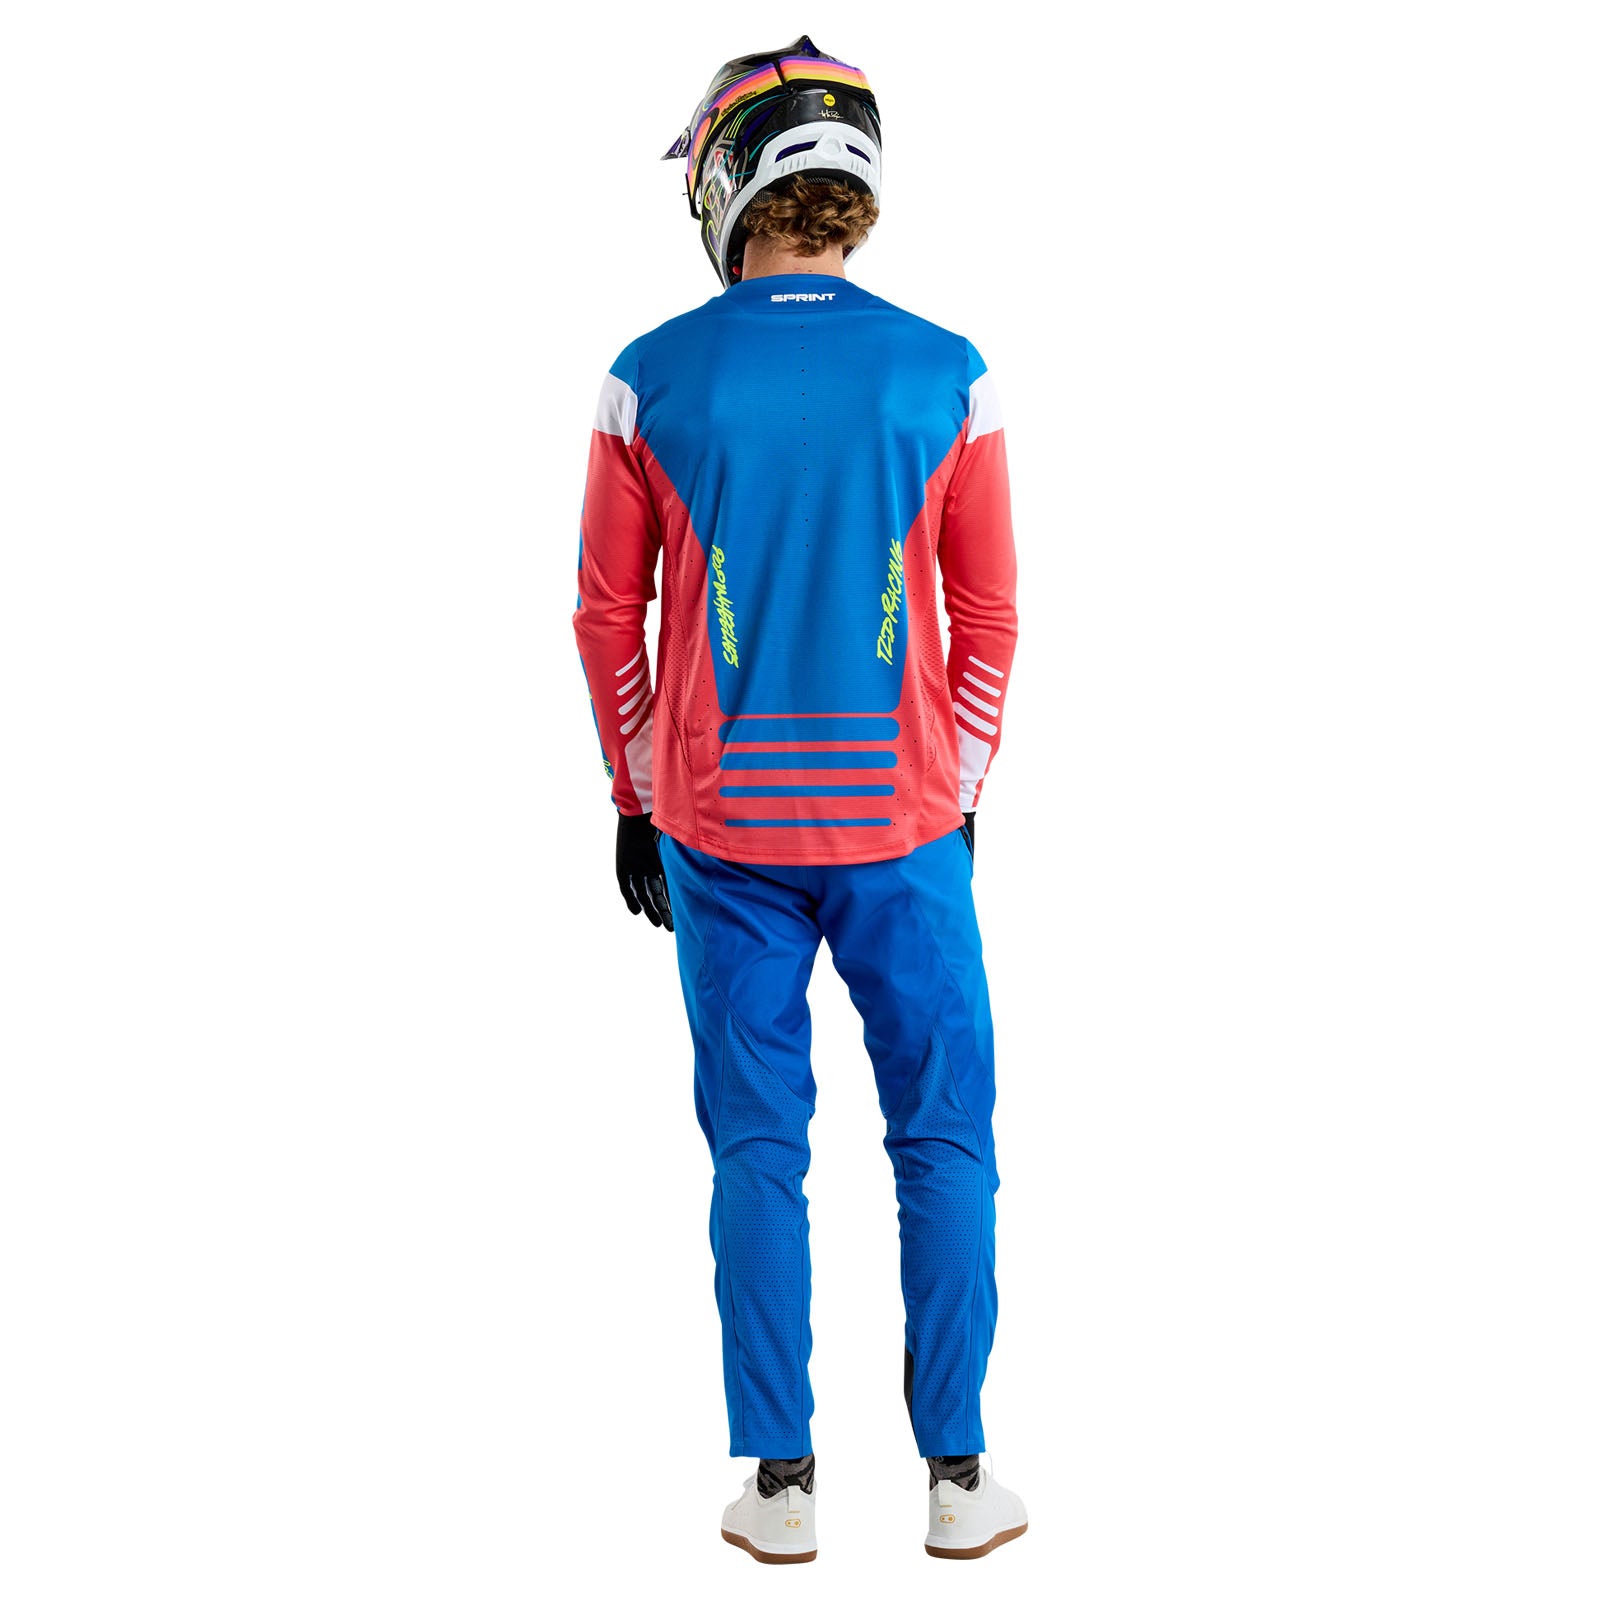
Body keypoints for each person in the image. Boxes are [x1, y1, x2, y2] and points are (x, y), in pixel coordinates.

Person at [571, 36, 1025, 1563]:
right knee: (943, 1138)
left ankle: (780, 1490)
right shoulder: (947, 370)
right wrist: (962, 787)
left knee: (759, 1148)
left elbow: (606, 618)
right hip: (908, 827)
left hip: (723, 830)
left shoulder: (652, 375)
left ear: (724, 175)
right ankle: (959, 1478)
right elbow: (990, 614)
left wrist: (636, 794)